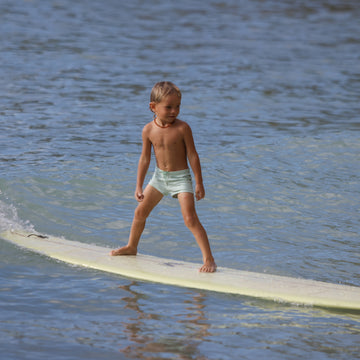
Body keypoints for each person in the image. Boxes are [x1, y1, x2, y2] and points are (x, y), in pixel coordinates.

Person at [110, 81, 216, 273]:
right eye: (169, 107)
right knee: (139, 213)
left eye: (178, 107)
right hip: (159, 178)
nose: (174, 111)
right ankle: (132, 247)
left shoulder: (183, 128)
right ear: (153, 107)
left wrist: (199, 182)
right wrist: (139, 186)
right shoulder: (148, 130)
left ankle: (209, 259)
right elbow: (144, 159)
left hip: (181, 179)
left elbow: (193, 155)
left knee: (190, 218)